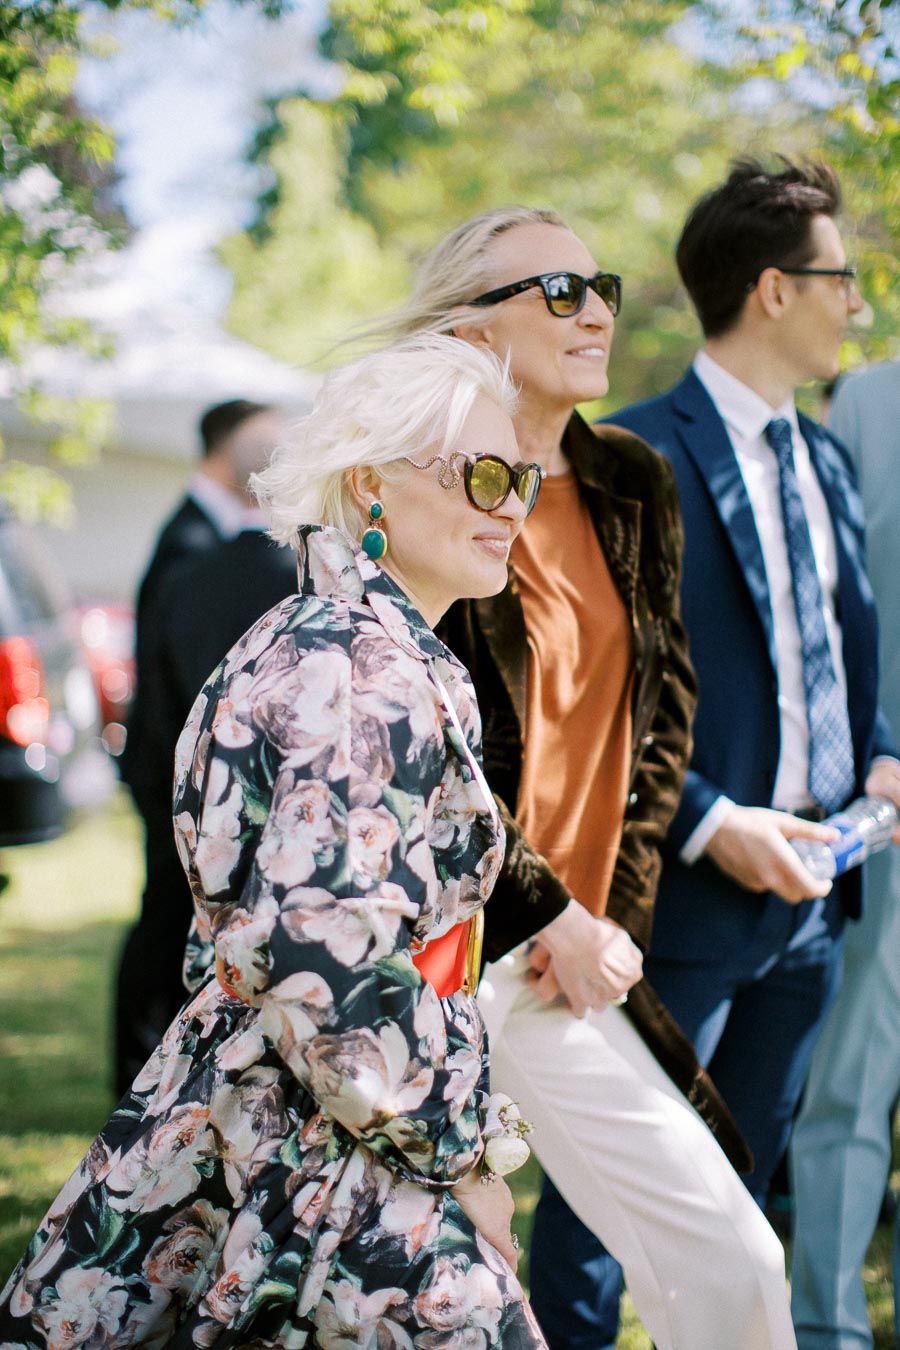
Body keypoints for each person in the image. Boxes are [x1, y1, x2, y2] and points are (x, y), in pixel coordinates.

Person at [0, 335, 547, 1348]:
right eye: (481, 475)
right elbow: (323, 964)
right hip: (334, 1153)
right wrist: (467, 1158)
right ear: (368, 484)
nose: (510, 504)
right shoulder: (354, 672)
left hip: (280, 1114)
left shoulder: (330, 639)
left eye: (523, 476)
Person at [370, 206, 796, 1349]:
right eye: (556, 291)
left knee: (729, 1258)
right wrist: (547, 912)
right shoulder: (420, 484)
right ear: (472, 325)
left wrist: (609, 918)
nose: (595, 308)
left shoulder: (630, 478)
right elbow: (419, 755)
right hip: (439, 959)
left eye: (597, 283)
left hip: (568, 959)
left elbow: (662, 720)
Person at [608, 160, 900, 1216]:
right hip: (682, 895)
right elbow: (599, 688)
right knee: (614, 1206)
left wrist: (879, 753)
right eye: (841, 278)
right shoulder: (629, 452)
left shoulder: (824, 459)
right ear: (773, 289)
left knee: (737, 1207)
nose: (856, 304)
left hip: (815, 902)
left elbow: (834, 640)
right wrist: (709, 821)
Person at [115, 399, 285, 1094]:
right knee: (176, 929)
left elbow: (153, 683)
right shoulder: (287, 579)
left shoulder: (194, 566)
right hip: (225, 791)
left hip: (181, 781)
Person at [790, 359, 900, 1349]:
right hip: (884, 811)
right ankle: (824, 1331)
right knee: (848, 1097)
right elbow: (823, 605)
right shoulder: (868, 401)